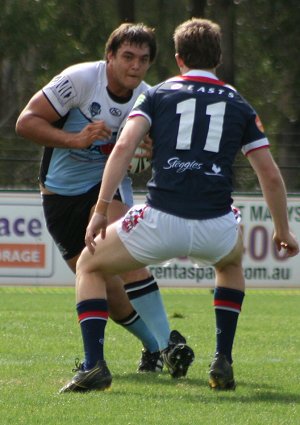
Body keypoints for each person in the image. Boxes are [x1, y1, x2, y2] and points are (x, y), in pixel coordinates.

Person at [58, 17, 299, 393]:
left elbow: (123, 148)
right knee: (231, 263)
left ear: (178, 58)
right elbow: (269, 174)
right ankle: (222, 358)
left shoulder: (157, 95)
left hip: (160, 221)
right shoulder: (238, 103)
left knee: (89, 265)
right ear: (218, 58)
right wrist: (282, 229)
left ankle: (93, 366)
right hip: (216, 225)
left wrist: (101, 209)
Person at [15, 23, 189, 375]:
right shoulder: (79, 81)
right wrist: (75, 140)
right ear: (109, 56)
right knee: (106, 289)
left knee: (126, 255)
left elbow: (158, 155)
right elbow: (26, 122)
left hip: (108, 188)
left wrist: (150, 151)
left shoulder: (149, 98)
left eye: (143, 59)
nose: (135, 66)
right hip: (60, 194)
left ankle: (168, 344)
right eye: (127, 56)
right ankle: (154, 346)